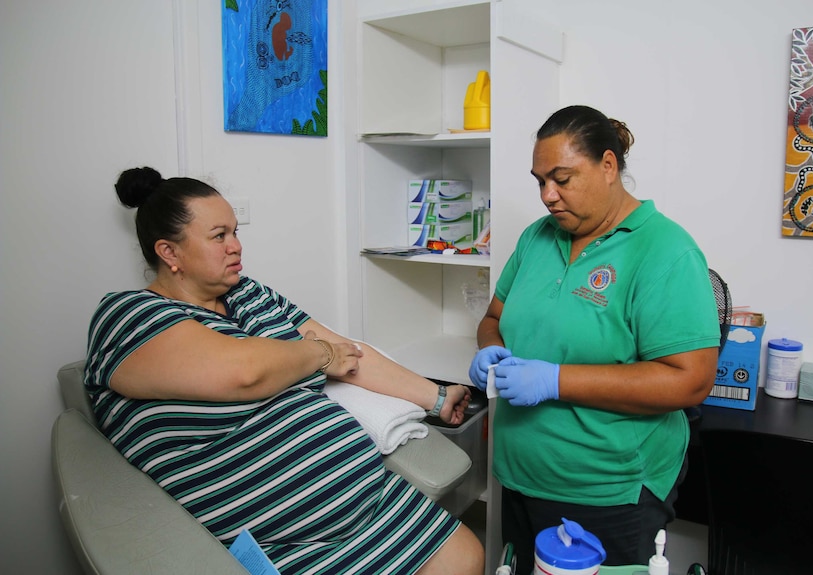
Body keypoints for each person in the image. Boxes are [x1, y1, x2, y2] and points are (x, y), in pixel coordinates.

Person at [84, 167, 484, 575]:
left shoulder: (249, 293)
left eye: (236, 232)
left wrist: (435, 396)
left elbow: (349, 355)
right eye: (219, 236)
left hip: (371, 500)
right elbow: (245, 371)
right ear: (169, 253)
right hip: (280, 541)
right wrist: (318, 355)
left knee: (468, 556)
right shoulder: (128, 316)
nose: (236, 246)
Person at [468, 105, 719, 570]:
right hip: (520, 474)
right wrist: (489, 348)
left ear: (608, 166)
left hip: (606, 491)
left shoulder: (665, 251)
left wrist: (556, 380)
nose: (547, 195)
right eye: (539, 180)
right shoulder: (536, 239)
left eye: (562, 179)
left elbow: (691, 381)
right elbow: (494, 316)